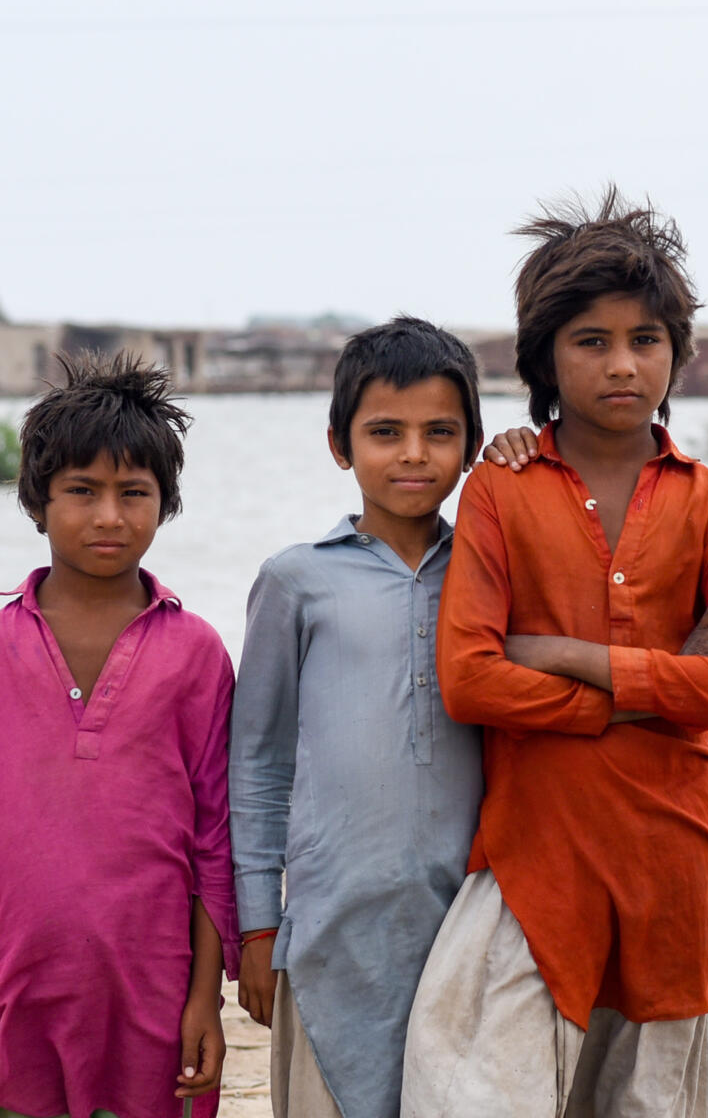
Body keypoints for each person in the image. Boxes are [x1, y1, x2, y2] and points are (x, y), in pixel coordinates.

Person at [402, 188, 708, 1117]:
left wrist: (573, 656)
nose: (623, 364)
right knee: (478, 1094)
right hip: (535, 857)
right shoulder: (503, 489)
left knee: (645, 1102)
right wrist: (659, 683)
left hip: (674, 859)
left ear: (675, 355)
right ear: (545, 356)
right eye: (592, 341)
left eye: (646, 340)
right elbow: (470, 679)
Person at [229, 316, 485, 1118]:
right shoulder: (297, 582)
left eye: (440, 432)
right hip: (328, 922)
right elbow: (258, 763)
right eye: (385, 432)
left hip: (465, 920)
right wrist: (258, 927)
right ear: (340, 445)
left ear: (473, 444)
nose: (414, 454)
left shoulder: (491, 574)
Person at [0, 353, 239, 1118]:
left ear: (164, 505)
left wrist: (208, 1001)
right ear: (36, 502)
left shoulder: (196, 652)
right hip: (15, 996)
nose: (109, 516)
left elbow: (214, 838)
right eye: (82, 491)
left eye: (134, 493)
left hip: (154, 999)